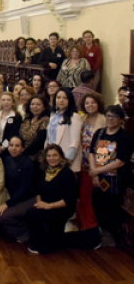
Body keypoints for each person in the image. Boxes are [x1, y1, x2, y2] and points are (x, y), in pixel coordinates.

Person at [89, 106, 133, 246]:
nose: (110, 119)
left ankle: (111, 236)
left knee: (111, 207)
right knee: (97, 204)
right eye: (108, 115)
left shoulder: (124, 137)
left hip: (115, 179)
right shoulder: (99, 133)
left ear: (120, 119)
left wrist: (97, 171)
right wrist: (94, 172)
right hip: (99, 178)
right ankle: (102, 232)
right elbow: (92, 153)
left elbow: (120, 162)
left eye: (113, 116)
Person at [26, 144, 78, 254]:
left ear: (61, 157)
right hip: (45, 204)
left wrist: (49, 206)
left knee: (57, 240)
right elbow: (37, 190)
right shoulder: (43, 171)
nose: (52, 158)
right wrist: (40, 202)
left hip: (61, 207)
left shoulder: (67, 173)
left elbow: (69, 199)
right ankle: (40, 243)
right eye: (49, 156)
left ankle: (42, 246)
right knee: (31, 213)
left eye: (55, 155)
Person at [0, 136, 36, 242]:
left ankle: (25, 232)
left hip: (27, 199)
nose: (13, 148)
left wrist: (7, 204)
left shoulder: (28, 164)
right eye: (11, 145)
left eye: (17, 146)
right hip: (12, 197)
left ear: (23, 148)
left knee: (1, 215)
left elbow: (24, 191)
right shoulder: (7, 160)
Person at [78, 92, 106, 231]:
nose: (90, 105)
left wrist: (97, 168)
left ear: (98, 104)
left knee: (90, 197)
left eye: (93, 102)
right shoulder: (82, 118)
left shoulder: (104, 119)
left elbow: (106, 145)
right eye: (87, 103)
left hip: (96, 164)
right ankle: (83, 225)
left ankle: (91, 226)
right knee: (82, 196)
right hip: (82, 163)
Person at [47, 88, 82, 172]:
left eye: (65, 98)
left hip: (66, 160)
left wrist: (66, 161)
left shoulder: (74, 117)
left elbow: (75, 142)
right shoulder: (52, 117)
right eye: (58, 97)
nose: (61, 100)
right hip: (52, 159)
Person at [20, 95, 51, 163]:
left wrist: (26, 151)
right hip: (23, 154)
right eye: (32, 104)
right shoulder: (26, 119)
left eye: (38, 104)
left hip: (37, 156)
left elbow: (40, 140)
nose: (35, 107)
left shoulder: (45, 120)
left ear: (44, 107)